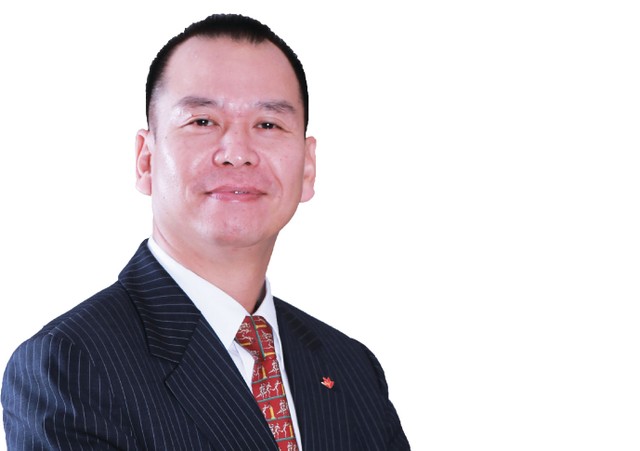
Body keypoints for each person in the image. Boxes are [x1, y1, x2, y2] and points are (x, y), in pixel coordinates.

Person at [2, 13, 410, 450]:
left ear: (307, 167)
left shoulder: (351, 367)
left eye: (268, 124)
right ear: (146, 160)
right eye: (202, 121)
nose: (237, 152)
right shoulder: (71, 364)